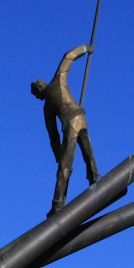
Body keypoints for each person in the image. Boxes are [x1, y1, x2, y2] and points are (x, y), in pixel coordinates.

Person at [31, 44, 100, 215]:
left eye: (36, 95)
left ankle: (57, 204)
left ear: (39, 91)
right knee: (88, 153)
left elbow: (53, 136)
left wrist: (58, 156)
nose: (38, 98)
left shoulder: (47, 107)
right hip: (81, 119)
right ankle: (94, 178)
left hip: (70, 125)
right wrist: (85, 49)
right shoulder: (58, 79)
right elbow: (68, 56)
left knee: (64, 168)